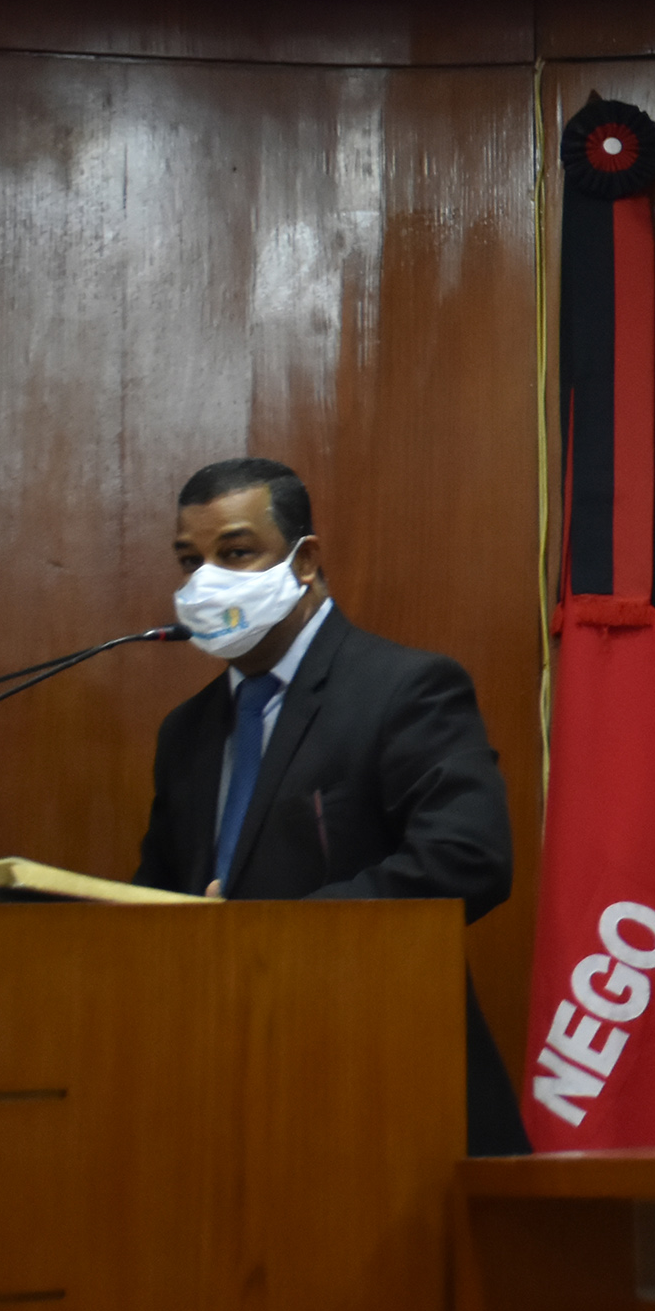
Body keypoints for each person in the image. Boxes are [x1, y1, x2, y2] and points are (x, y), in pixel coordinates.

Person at [134, 458, 528, 1155]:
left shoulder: (406, 689)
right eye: (191, 561)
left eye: (235, 553)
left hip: (386, 1084)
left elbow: (467, 861)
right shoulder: (185, 731)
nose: (205, 582)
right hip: (232, 1091)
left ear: (305, 560)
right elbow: (160, 899)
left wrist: (275, 934)